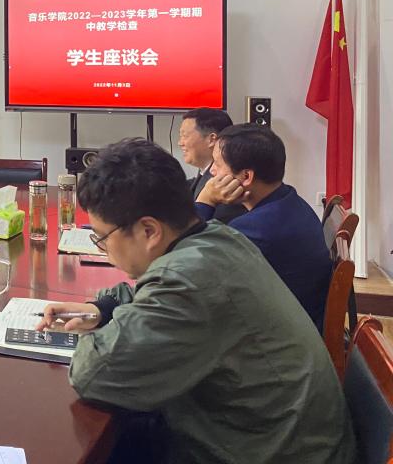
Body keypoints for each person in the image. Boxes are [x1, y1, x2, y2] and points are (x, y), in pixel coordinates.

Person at [35, 138, 354, 464]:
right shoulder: (217, 237)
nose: (103, 249)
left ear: (149, 231)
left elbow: (93, 374)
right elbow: (156, 293)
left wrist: (93, 334)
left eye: (102, 239)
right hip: (276, 437)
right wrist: (102, 309)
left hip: (267, 452)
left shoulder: (188, 281)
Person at [196, 123, 332, 330]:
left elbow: (190, 266)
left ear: (246, 177)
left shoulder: (254, 231)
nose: (212, 171)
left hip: (276, 335)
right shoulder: (290, 199)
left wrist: (206, 199)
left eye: (217, 164)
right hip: (303, 320)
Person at [177, 107, 244, 224]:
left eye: (185, 136)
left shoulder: (225, 183)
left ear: (212, 139)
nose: (180, 143)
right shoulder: (203, 173)